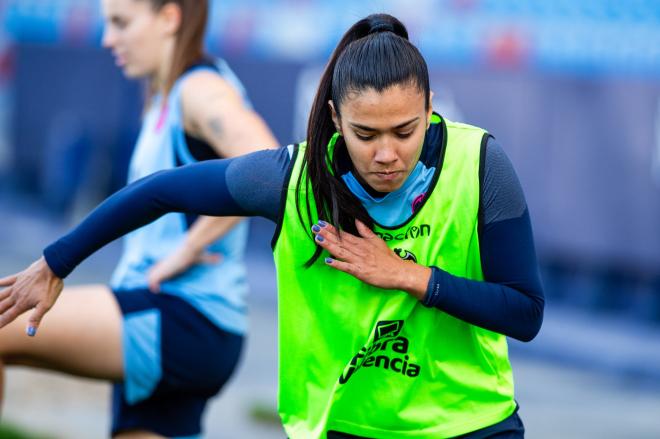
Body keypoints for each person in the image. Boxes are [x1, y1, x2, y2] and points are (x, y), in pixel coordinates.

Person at [0, 13, 544, 439]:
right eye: (364, 133)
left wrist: (409, 276)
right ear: (335, 120)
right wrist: (54, 263)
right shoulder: (292, 180)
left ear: (429, 110)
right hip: (349, 428)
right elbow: (163, 190)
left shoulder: (479, 163)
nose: (385, 154)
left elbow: (524, 312)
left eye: (405, 131)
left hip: (473, 428)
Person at [0, 0, 277, 438]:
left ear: (169, 18)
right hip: (180, 321)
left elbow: (266, 167)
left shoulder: (199, 90)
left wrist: (188, 248)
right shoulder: (166, 95)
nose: (108, 38)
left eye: (120, 23)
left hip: (179, 317)